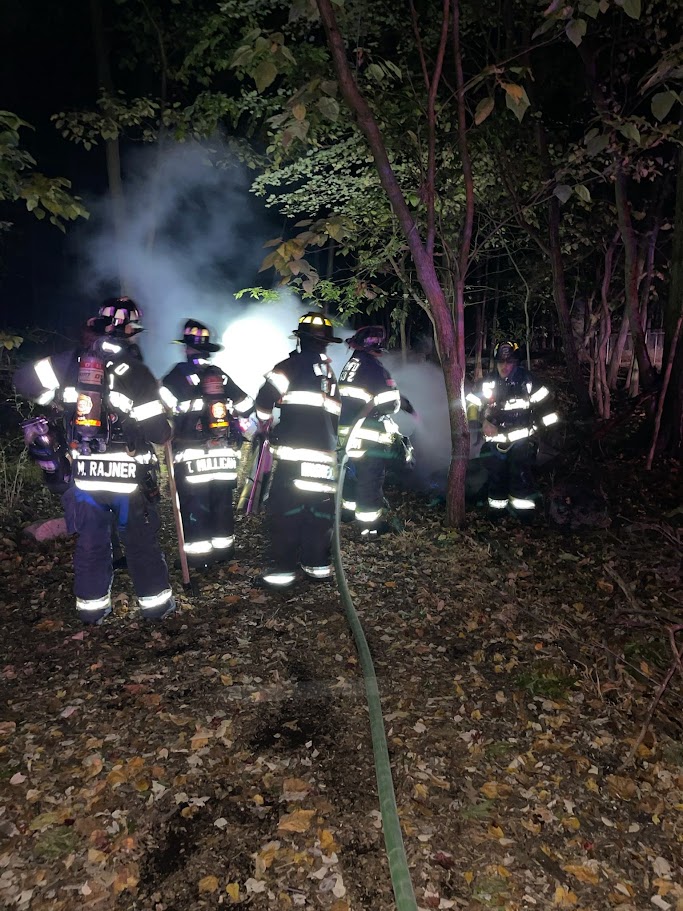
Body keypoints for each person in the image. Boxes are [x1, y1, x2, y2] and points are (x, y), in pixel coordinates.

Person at [14, 297, 176, 623]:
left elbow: (23, 380)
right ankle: (156, 608)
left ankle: (92, 612)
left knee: (91, 543)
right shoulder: (136, 371)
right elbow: (159, 433)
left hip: (84, 474)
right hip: (129, 478)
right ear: (129, 331)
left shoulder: (70, 362)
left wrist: (56, 400)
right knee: (140, 542)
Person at [254, 311, 342, 588]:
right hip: (325, 457)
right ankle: (318, 567)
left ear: (300, 340)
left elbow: (264, 399)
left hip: (295, 457)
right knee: (320, 512)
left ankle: (283, 572)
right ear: (326, 343)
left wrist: (265, 423)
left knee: (286, 511)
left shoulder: (289, 367)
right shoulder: (329, 374)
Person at [159, 320, 254, 567]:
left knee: (195, 505)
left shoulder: (176, 376)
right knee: (221, 502)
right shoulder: (219, 375)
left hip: (191, 456)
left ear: (186, 348)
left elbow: (159, 408)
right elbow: (247, 406)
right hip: (222, 455)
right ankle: (224, 552)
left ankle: (198, 559)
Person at [466, 340, 559, 519]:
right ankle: (497, 511)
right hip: (495, 442)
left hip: (522, 441)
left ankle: (524, 513)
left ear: (516, 362)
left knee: (521, 476)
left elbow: (547, 408)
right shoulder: (487, 383)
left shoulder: (529, 382)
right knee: (496, 477)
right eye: (501, 362)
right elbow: (472, 403)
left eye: (509, 362)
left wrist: (546, 431)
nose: (505, 366)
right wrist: (479, 422)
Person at [337, 325, 411, 537]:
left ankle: (348, 512)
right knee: (370, 478)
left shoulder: (351, 365)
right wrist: (397, 400)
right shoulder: (374, 368)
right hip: (367, 433)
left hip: (347, 432)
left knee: (350, 473)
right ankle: (369, 526)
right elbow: (390, 404)